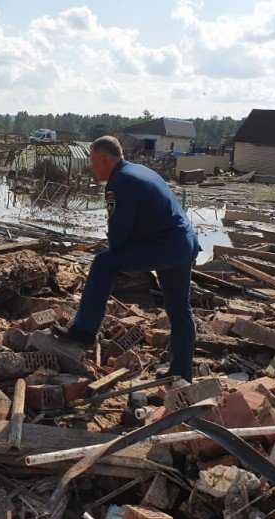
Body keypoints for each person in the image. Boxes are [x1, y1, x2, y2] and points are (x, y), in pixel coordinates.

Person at [52, 136, 201, 383]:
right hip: (183, 243)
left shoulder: (119, 182)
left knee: (103, 263)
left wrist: (120, 261)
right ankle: (182, 372)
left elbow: (119, 235)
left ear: (104, 159)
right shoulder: (138, 171)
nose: (91, 167)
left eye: (92, 161)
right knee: (178, 308)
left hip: (166, 245)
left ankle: (84, 331)